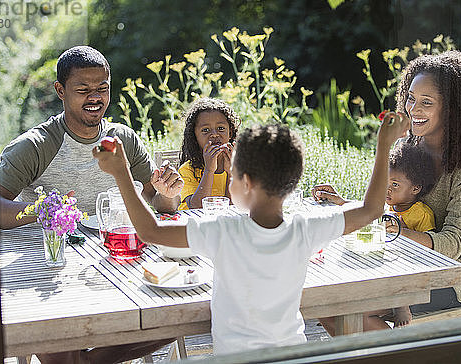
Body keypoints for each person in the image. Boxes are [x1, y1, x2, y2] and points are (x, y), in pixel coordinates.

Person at [92, 114, 409, 355]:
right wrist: (384, 144)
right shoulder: (305, 230)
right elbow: (370, 210)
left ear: (245, 183)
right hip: (293, 356)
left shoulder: (224, 232)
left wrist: (122, 173)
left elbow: (151, 231)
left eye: (232, 176)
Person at [0, 46, 183, 363]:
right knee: (61, 342)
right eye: (83, 90)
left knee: (178, 314)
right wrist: (41, 210)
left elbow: (157, 205)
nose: (94, 97)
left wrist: (166, 191)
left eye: (102, 88)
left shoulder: (122, 138)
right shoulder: (37, 145)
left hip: (117, 266)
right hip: (49, 274)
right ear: (60, 91)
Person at [314, 50, 461, 335]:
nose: (413, 109)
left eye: (427, 102)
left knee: (343, 306)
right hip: (405, 263)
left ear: (452, 109)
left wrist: (396, 231)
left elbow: (456, 242)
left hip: (455, 277)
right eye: (411, 98)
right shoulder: (412, 147)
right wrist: (347, 204)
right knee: (326, 301)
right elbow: (395, 205)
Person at [364, 141, 438, 329]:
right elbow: (367, 213)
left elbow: (430, 249)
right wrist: (340, 201)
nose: (387, 189)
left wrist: (404, 233)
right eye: (386, 183)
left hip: (413, 271)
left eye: (395, 185)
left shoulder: (421, 213)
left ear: (415, 188)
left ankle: (402, 306)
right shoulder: (390, 207)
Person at [177, 97, 240, 210]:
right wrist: (209, 170)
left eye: (221, 128)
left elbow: (233, 207)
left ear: (230, 133)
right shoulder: (187, 170)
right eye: (205, 130)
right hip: (194, 225)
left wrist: (231, 173)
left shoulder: (238, 166)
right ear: (194, 136)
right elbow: (197, 207)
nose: (214, 134)